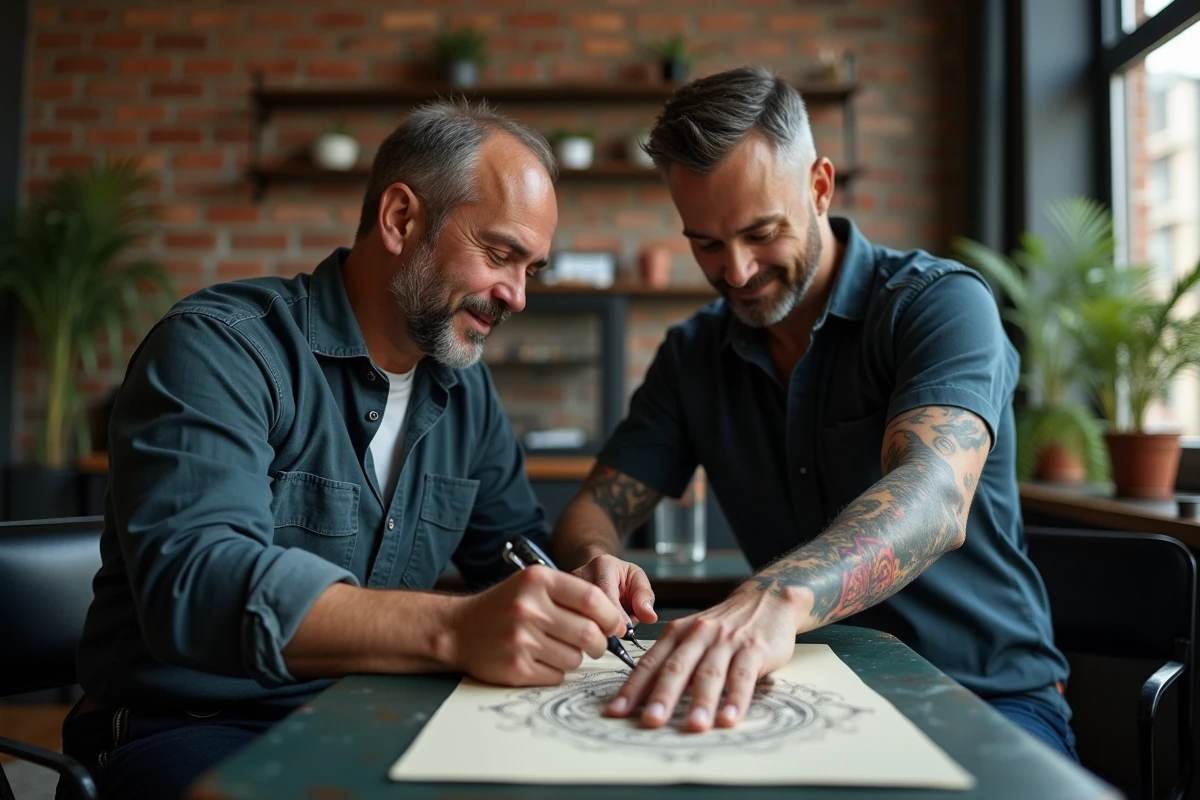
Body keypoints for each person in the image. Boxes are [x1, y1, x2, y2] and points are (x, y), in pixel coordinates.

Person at [62, 100, 638, 799]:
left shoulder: (467, 393)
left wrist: (578, 580)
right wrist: (456, 628)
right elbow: (197, 587)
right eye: (500, 253)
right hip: (183, 727)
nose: (517, 296)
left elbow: (513, 552)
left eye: (532, 270)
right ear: (401, 220)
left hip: (367, 714)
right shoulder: (221, 348)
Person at [552, 66, 1076, 759]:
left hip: (982, 698)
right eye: (705, 243)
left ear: (820, 186)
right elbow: (596, 508)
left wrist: (779, 596)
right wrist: (593, 560)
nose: (735, 271)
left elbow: (933, 497)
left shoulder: (938, 305)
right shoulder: (692, 355)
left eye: (760, 233)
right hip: (803, 700)